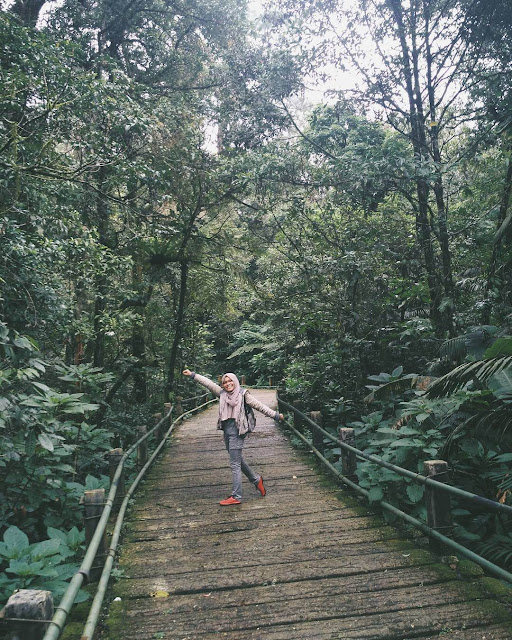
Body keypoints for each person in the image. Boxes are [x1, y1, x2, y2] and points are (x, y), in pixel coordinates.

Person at [182, 369, 284, 506]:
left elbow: (259, 406)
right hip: (227, 430)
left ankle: (237, 496)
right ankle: (256, 480)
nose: (228, 383)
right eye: (225, 382)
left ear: (235, 381)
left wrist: (276, 416)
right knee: (238, 460)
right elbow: (208, 383)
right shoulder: (222, 394)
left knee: (234, 463)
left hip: (238, 431)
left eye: (230, 381)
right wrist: (193, 375)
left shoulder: (243, 395)